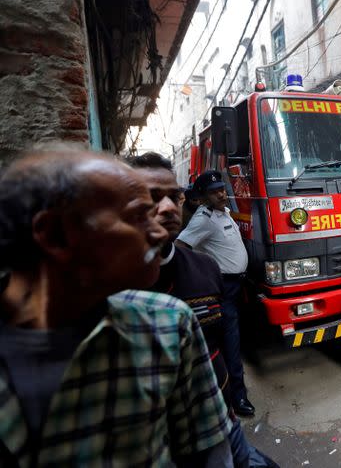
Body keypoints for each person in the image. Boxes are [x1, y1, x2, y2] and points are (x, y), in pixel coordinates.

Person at [0, 147, 232, 467]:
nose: (157, 231)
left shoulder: (166, 325)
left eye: (172, 198)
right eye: (139, 214)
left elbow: (211, 454)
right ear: (54, 235)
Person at [129, 153, 279, 468]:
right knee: (231, 341)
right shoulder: (117, 288)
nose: (168, 207)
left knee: (228, 344)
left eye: (173, 196)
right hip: (168, 441)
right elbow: (183, 242)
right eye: (152, 197)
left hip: (220, 422)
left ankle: (234, 397)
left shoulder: (207, 256)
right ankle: (239, 397)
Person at [177, 170, 254, 417]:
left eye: (222, 189)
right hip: (222, 287)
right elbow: (181, 247)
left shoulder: (224, 212)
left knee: (234, 341)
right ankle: (237, 398)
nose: (221, 193)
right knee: (230, 345)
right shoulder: (204, 219)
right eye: (214, 191)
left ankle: (230, 392)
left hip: (236, 285)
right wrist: (200, 275)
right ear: (202, 197)